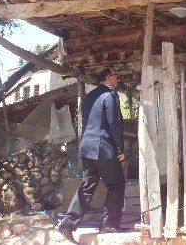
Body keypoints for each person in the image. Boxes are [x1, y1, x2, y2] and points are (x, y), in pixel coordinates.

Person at [57, 67, 126, 242]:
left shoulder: (89, 97)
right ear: (109, 78)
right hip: (103, 147)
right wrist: (120, 149)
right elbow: (114, 122)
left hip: (87, 147)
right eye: (115, 75)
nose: (117, 78)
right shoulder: (110, 95)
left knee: (87, 186)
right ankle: (110, 225)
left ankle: (67, 224)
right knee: (116, 184)